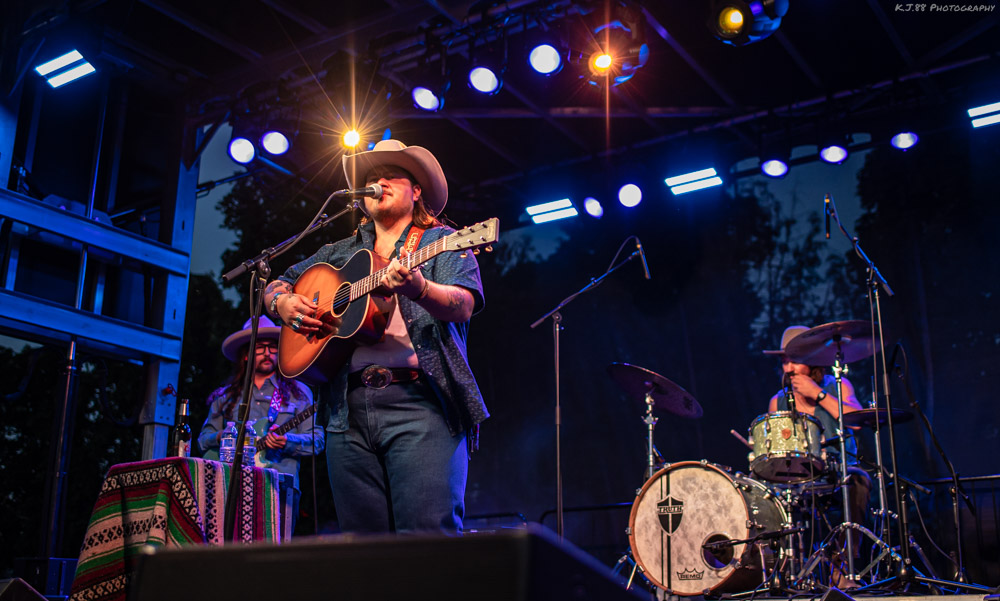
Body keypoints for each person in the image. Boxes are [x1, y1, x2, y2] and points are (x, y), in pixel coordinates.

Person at [264, 139, 487, 534]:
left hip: (422, 406)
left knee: (425, 543)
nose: (378, 184)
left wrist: (419, 289)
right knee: (363, 554)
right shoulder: (338, 251)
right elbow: (280, 282)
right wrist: (280, 303)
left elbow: (463, 303)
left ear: (416, 190)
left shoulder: (445, 242)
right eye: (371, 179)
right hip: (345, 413)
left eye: (390, 177)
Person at [763, 325, 872, 588]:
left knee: (859, 480)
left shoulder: (838, 386)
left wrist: (818, 394)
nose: (788, 369)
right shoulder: (778, 401)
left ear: (811, 362)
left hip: (838, 470)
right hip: (797, 474)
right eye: (785, 362)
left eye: (794, 361)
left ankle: (844, 563)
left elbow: (857, 421)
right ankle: (780, 571)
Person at [198, 316, 324, 532]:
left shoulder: (300, 393)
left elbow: (318, 440)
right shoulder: (225, 397)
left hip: (278, 486)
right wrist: (221, 437)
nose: (267, 353)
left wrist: (287, 441)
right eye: (260, 347)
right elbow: (202, 440)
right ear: (246, 355)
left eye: (273, 348)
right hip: (229, 485)